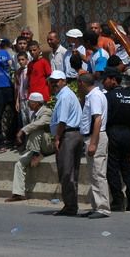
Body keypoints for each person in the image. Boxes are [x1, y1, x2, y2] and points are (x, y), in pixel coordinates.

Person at [6, 92, 55, 202]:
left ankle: (36, 154)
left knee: (36, 129)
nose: (28, 104)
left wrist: (23, 130)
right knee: (19, 164)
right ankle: (18, 193)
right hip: (37, 146)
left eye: (30, 102)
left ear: (37, 103)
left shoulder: (47, 111)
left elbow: (40, 123)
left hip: (48, 144)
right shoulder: (34, 113)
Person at [103, 69, 130, 212]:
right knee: (126, 166)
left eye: (105, 79)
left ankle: (118, 200)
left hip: (113, 132)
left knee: (112, 168)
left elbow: (105, 116)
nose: (103, 83)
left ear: (113, 79)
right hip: (128, 133)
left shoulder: (109, 97)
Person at [49, 70, 83, 216]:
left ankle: (70, 205)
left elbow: (62, 121)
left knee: (66, 171)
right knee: (72, 171)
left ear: (64, 81)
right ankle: (71, 204)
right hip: (73, 134)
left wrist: (57, 137)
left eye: (56, 81)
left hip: (68, 135)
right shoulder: (67, 95)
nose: (54, 84)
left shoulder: (64, 97)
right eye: (52, 82)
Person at [78, 73, 111, 219]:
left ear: (82, 83)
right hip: (93, 136)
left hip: (95, 137)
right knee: (94, 173)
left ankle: (103, 208)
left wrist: (93, 143)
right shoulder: (94, 95)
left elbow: (97, 120)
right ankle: (96, 205)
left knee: (98, 173)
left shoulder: (95, 96)